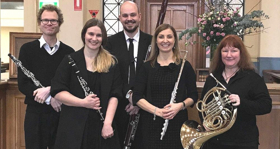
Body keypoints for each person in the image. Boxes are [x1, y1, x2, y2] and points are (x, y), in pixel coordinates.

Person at [50, 18, 122, 149]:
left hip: (102, 124)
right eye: (91, 34)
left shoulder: (111, 63)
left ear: (103, 38)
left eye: (98, 35)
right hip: (73, 126)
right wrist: (83, 102)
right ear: (84, 35)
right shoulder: (70, 60)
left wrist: (107, 124)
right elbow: (57, 90)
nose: (94, 38)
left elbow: (115, 94)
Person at [132, 24, 198, 149]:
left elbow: (193, 95)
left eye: (169, 37)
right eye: (161, 37)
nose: (165, 40)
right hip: (151, 123)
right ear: (156, 41)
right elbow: (137, 96)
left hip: (177, 122)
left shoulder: (185, 66)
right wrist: (158, 111)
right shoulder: (146, 67)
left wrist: (180, 106)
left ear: (174, 41)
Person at [17, 4, 74, 149]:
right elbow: (23, 84)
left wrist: (51, 91)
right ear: (39, 23)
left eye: (53, 20)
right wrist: (49, 99)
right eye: (45, 20)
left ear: (59, 24)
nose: (49, 23)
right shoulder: (27, 50)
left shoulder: (69, 52)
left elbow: (71, 83)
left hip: (60, 113)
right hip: (35, 114)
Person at [200, 35, 272, 149]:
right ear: (220, 54)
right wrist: (205, 122)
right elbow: (203, 105)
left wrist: (241, 102)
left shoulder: (252, 78)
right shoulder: (213, 78)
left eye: (234, 51)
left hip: (242, 142)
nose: (229, 55)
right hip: (215, 141)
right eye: (225, 51)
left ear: (241, 53)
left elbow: (266, 106)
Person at [105, 1, 152, 147]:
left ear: (139, 16)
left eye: (132, 15)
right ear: (120, 17)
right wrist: (129, 96)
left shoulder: (152, 42)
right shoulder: (109, 43)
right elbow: (111, 76)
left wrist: (138, 100)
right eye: (125, 15)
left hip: (146, 107)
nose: (129, 18)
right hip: (118, 106)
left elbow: (153, 75)